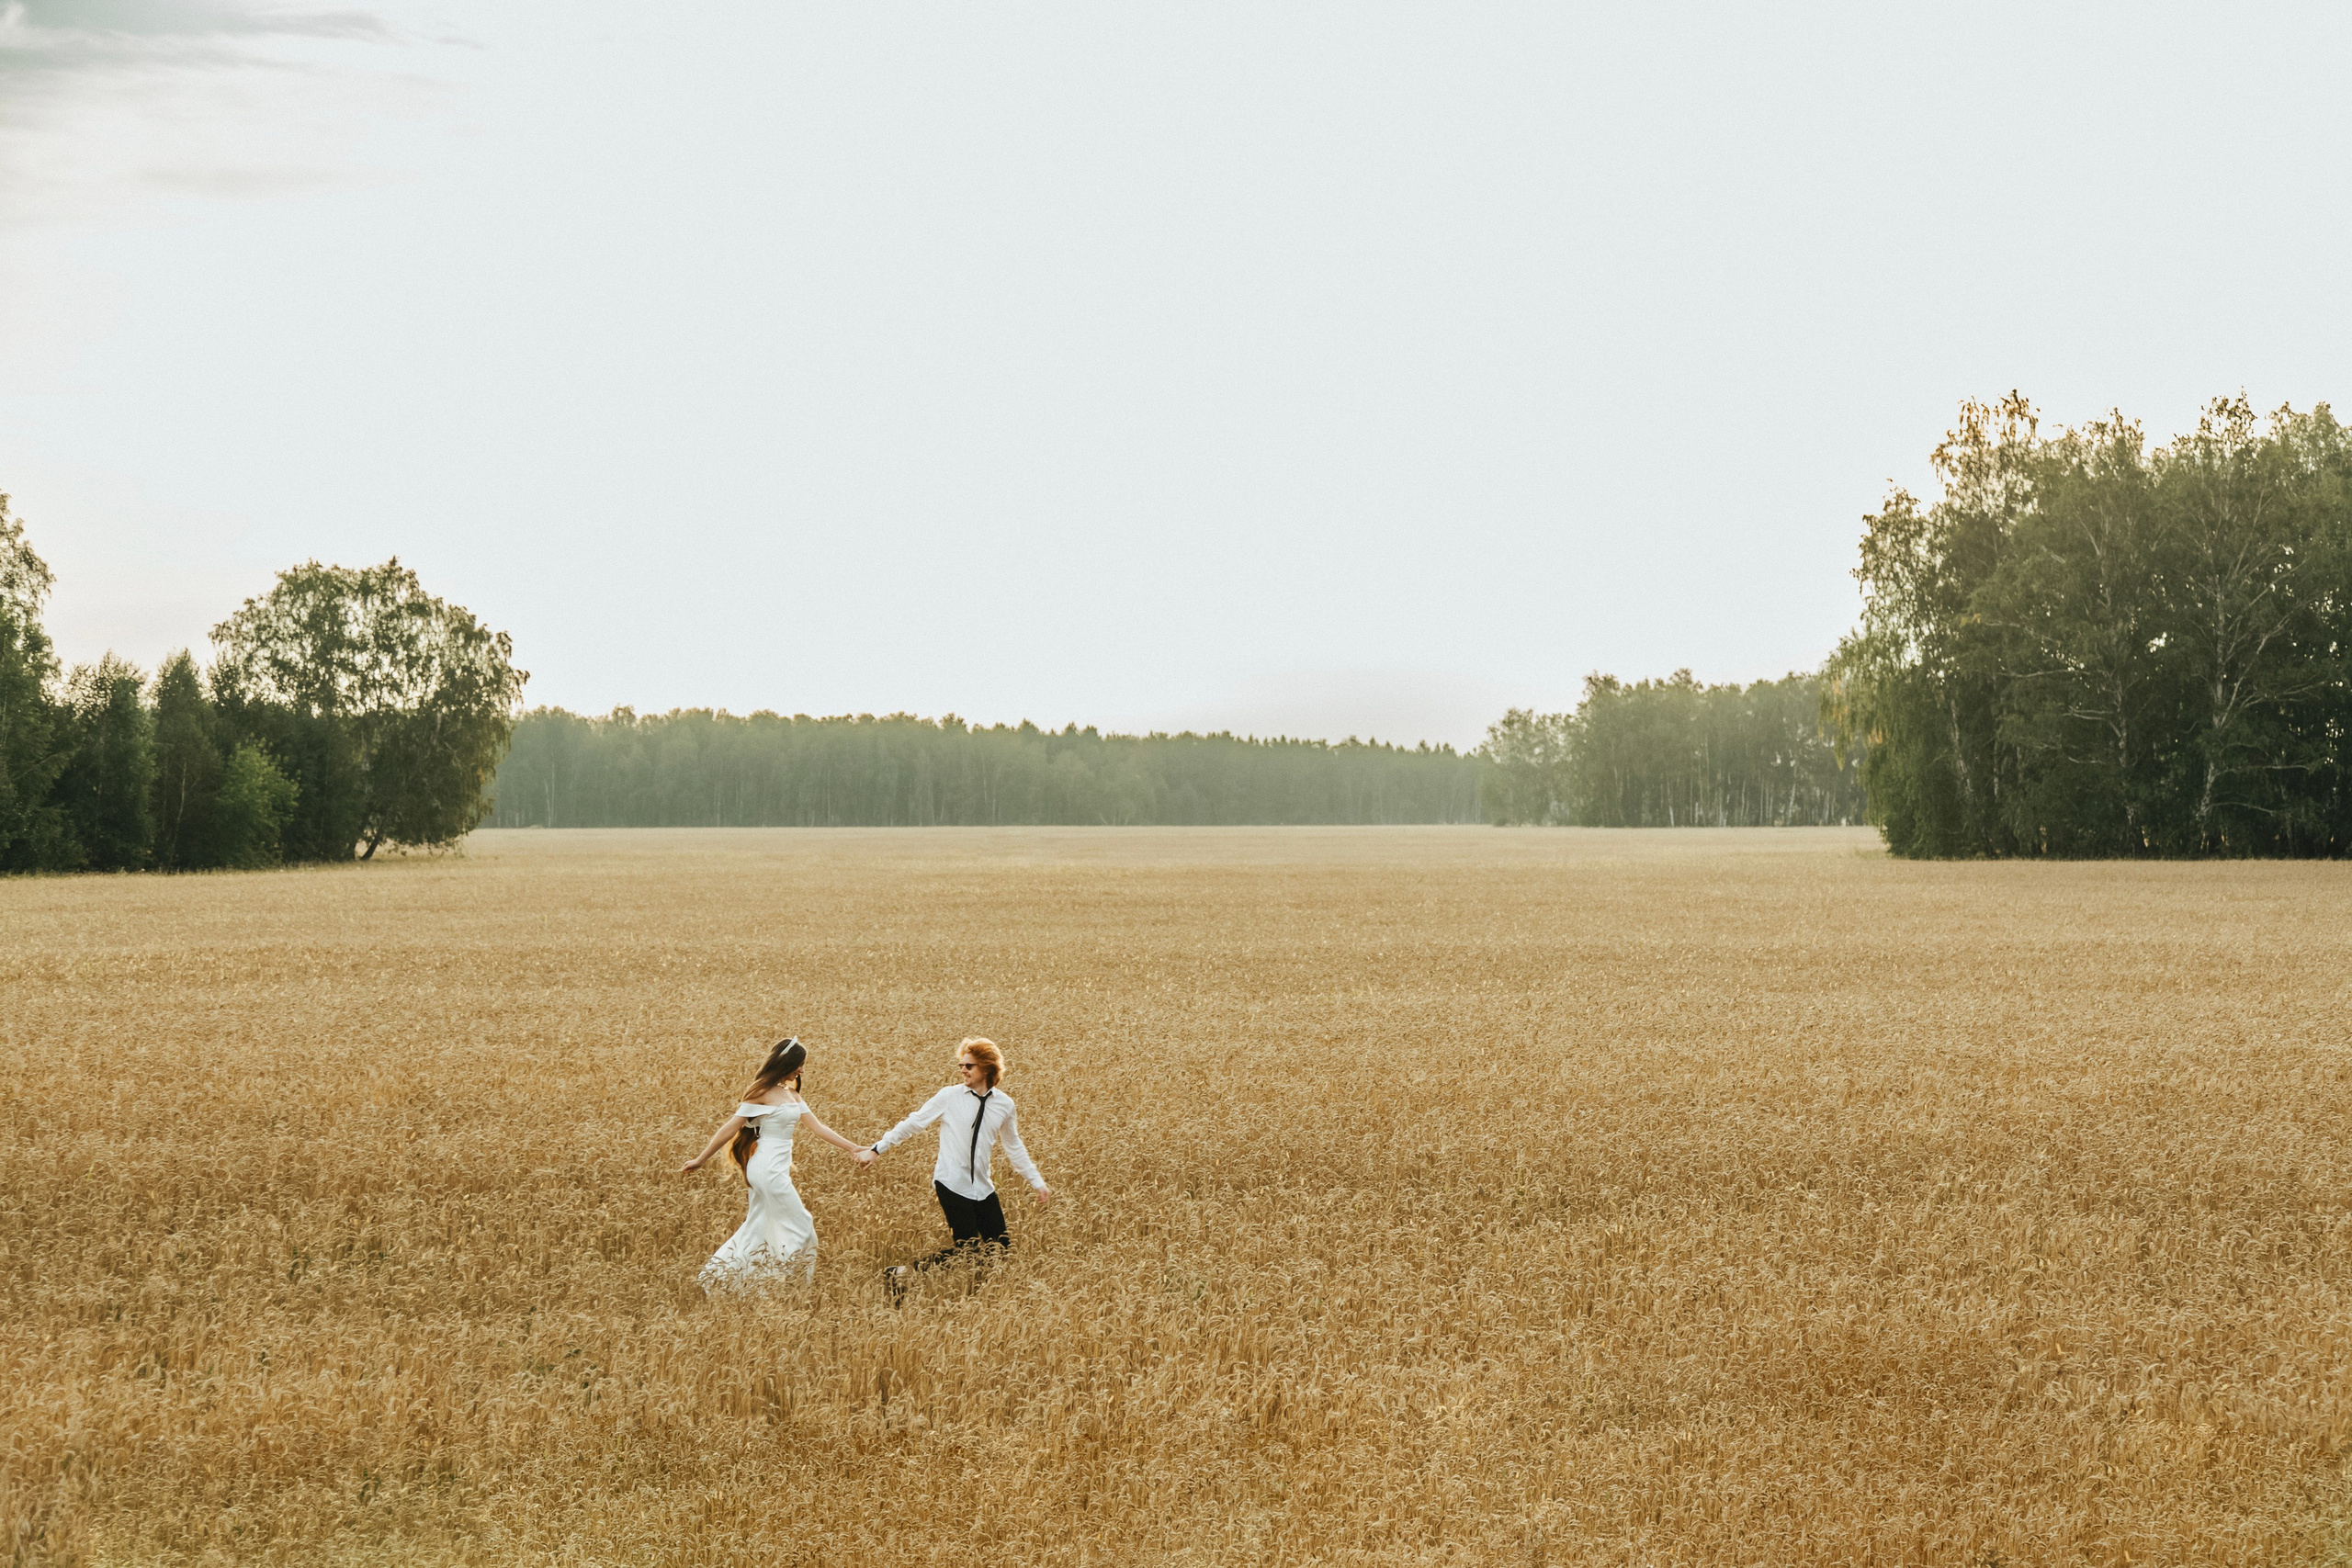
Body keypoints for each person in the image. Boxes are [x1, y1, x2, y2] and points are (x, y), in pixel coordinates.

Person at [680, 1037, 872, 1289]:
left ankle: (727, 1278)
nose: (802, 1070)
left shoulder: (791, 1094)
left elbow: (818, 1128)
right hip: (767, 1169)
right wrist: (700, 1159)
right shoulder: (761, 1092)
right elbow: (731, 1127)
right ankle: (788, 1285)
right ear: (787, 1063)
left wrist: (853, 1147)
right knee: (803, 1225)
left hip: (774, 1168)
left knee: (758, 1226)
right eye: (800, 1065)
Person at [867, 1037, 1051, 1296]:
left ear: (987, 1068)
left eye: (969, 1066)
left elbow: (1014, 1146)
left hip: (983, 1187)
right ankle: (900, 1275)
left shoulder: (1004, 1105)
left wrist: (1036, 1182)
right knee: (968, 1250)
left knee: (1000, 1249)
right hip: (951, 1182)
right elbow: (914, 1123)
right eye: (961, 1065)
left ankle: (981, 1300)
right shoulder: (949, 1097)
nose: (963, 1070)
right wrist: (877, 1149)